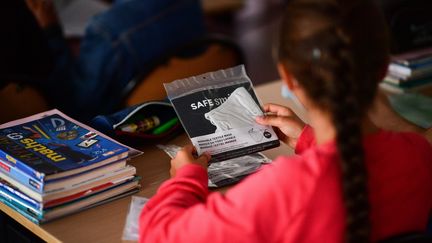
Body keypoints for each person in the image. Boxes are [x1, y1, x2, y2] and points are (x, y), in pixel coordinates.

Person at [139, 0, 432, 242]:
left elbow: (161, 234)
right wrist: (308, 139)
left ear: (288, 77)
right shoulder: (419, 153)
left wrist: (186, 179)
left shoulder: (283, 189)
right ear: (384, 69)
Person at [3, 0, 205, 122]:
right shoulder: (190, 5)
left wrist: (50, 29)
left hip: (115, 132)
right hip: (175, 120)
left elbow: (74, 107)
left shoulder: (108, 30)